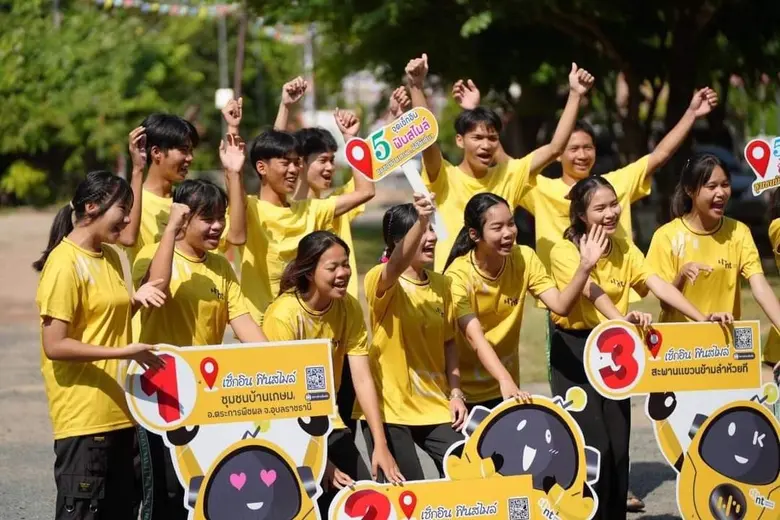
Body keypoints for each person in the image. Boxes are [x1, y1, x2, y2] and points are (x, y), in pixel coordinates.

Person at [548, 175, 728, 520]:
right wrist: (621, 320)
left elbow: (656, 283)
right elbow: (592, 292)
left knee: (618, 449)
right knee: (595, 448)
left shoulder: (625, 247)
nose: (610, 213)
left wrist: (701, 318)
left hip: (615, 349)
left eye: (614, 204)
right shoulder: (565, 251)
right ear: (582, 215)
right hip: (575, 351)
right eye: (600, 208)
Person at [33, 171, 167, 520]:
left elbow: (102, 321)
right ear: (92, 207)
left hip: (123, 414)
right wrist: (124, 352)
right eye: (123, 209)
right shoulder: (64, 264)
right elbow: (55, 345)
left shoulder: (112, 256)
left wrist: (135, 301)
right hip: (85, 419)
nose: (128, 219)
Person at [132, 176, 267, 519]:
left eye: (221, 217)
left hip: (205, 398)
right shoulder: (152, 254)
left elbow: (244, 324)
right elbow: (157, 289)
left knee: (200, 489)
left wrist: (281, 365)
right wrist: (170, 230)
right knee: (164, 491)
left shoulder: (220, 266)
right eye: (208, 218)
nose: (218, 226)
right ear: (184, 218)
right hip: (159, 396)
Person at [405, 53, 595, 272]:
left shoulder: (509, 174)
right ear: (460, 140)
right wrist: (416, 86)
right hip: (455, 286)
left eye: (492, 138)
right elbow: (426, 139)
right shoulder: (444, 175)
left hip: (504, 285)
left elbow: (555, 149)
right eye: (477, 138)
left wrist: (575, 94)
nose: (486, 145)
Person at [262, 231, 403, 516]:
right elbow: (279, 402)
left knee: (365, 500)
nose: (343, 273)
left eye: (346, 264)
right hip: (286, 430)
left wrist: (380, 445)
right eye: (332, 267)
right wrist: (319, 462)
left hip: (328, 423)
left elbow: (362, 378)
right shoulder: (283, 315)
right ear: (309, 272)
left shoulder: (348, 306)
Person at [646, 154, 780, 421]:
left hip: (724, 353)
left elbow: (760, 287)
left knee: (723, 432)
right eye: (711, 186)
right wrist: (681, 277)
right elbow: (663, 300)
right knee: (684, 433)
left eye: (725, 185)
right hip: (680, 355)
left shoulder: (739, 233)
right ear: (690, 190)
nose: (721, 193)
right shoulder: (667, 237)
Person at [443, 193, 607, 409]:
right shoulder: (457, 276)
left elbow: (560, 306)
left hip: (507, 388)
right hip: (463, 392)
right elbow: (475, 337)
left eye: (511, 223)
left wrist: (585, 267)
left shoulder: (525, 258)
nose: (508, 233)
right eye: (497, 227)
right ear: (474, 234)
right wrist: (504, 379)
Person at [224, 110, 375, 326]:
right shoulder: (249, 208)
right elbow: (234, 190)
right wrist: (232, 132)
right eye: (286, 163)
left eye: (297, 163)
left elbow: (365, 191)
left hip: (305, 325)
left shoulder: (311, 209)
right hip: (261, 328)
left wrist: (351, 138)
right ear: (261, 167)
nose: (294, 169)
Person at [355, 194, 468, 480]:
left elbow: (449, 342)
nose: (431, 238)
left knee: (469, 468)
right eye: (422, 232)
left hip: (435, 406)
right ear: (396, 243)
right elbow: (394, 265)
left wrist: (455, 393)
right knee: (410, 491)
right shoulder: (379, 278)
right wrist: (422, 219)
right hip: (390, 409)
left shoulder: (443, 285)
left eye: (432, 230)